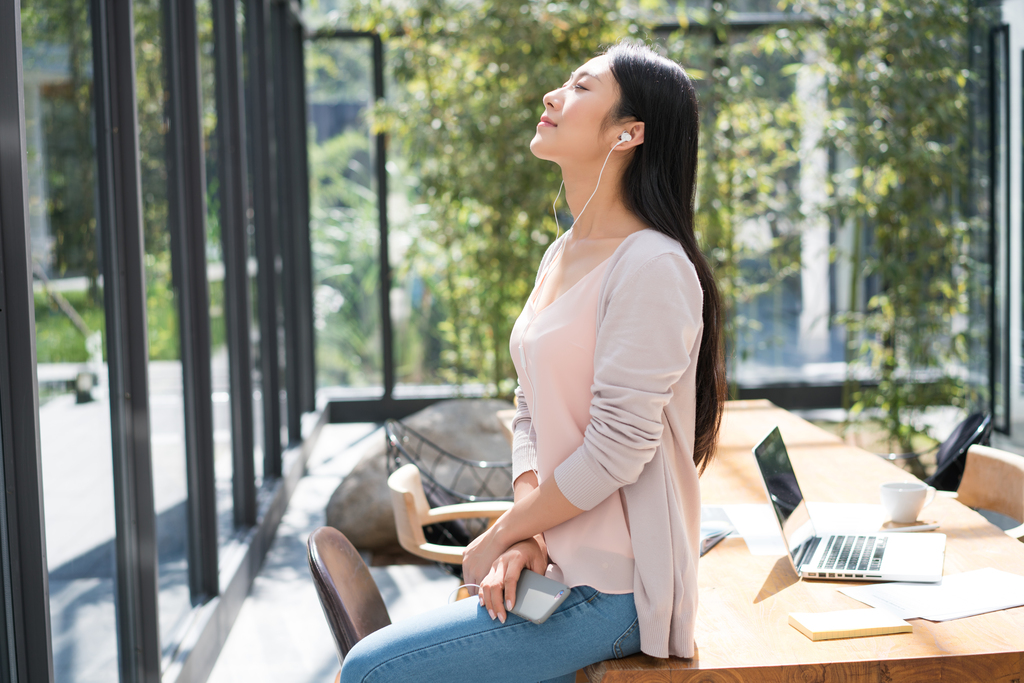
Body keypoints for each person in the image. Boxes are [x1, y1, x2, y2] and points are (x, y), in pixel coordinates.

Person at [339, 40, 725, 683]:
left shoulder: (653, 266)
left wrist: (499, 532)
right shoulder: (562, 253)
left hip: (615, 590)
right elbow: (530, 413)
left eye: (579, 87)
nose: (552, 96)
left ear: (629, 133)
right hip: (560, 567)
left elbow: (616, 450)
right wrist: (527, 538)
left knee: (369, 672)